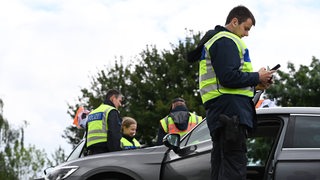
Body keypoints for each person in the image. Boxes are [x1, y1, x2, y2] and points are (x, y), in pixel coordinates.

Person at [187, 5, 276, 180]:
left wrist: (256, 85)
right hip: (230, 113)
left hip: (223, 110)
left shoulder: (219, 41)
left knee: (222, 165)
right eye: (246, 28)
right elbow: (228, 77)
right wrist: (256, 76)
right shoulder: (226, 40)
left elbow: (226, 82)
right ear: (235, 21)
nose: (247, 34)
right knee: (234, 166)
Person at [86, 89, 123, 155]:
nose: (120, 104)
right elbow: (114, 133)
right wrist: (117, 153)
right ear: (113, 98)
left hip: (91, 152)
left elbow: (86, 134)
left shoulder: (92, 113)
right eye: (119, 101)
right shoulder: (111, 111)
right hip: (106, 150)